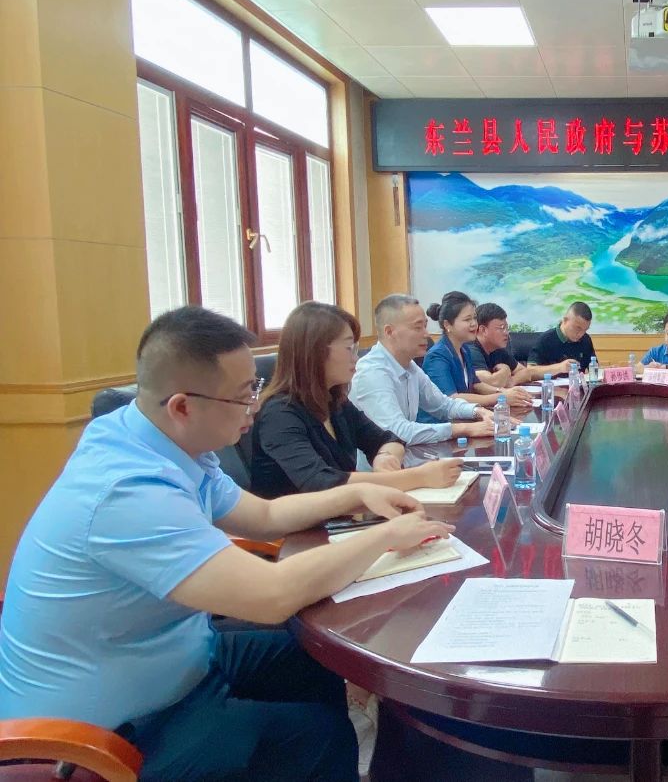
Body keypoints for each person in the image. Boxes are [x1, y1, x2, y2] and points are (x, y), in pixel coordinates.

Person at [0, 306, 453, 781]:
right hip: (111, 734)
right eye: (244, 395)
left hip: (181, 659)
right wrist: (384, 537)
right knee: (320, 736)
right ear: (182, 406)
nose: (256, 405)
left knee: (315, 661)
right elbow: (272, 595)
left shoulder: (163, 441)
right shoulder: (126, 490)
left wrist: (356, 493)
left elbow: (264, 516)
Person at [251, 302, 464, 499]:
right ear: (315, 352)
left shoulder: (335, 402)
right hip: (299, 527)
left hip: (341, 516)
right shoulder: (279, 414)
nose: (356, 357)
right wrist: (419, 477)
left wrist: (384, 456)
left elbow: (388, 438)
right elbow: (321, 482)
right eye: (349, 348)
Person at [350, 294, 494, 463]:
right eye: (418, 327)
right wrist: (464, 429)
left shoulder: (410, 366)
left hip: (409, 461)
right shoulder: (372, 372)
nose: (426, 334)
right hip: (379, 474)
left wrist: (479, 411)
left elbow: (443, 405)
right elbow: (397, 432)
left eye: (425, 326)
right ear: (389, 332)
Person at [423, 292, 533, 408]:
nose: (474, 324)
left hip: (465, 415)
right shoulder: (437, 356)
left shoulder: (464, 349)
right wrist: (501, 397)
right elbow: (451, 398)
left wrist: (503, 391)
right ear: (447, 325)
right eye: (467, 320)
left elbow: (476, 384)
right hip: (444, 419)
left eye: (474, 318)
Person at [468, 302, 575, 387]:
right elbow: (492, 382)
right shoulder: (471, 350)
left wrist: (512, 381)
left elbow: (526, 372)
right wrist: (505, 370)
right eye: (501, 328)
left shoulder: (497, 349)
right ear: (483, 330)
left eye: (507, 327)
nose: (506, 332)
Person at [528, 301, 597, 370]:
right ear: (565, 320)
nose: (581, 334)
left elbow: (594, 367)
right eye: (577, 328)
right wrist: (559, 368)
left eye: (585, 330)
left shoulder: (585, 339)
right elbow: (530, 370)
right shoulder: (545, 339)